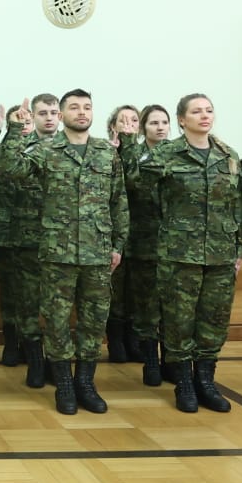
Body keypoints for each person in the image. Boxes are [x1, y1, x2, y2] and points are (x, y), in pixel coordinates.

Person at [0, 90, 132, 415]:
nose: (82, 112)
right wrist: (14, 130)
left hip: (97, 252)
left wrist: (118, 244)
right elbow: (10, 169)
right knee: (57, 320)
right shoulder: (47, 150)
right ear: (61, 115)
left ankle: (85, 382)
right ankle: (64, 385)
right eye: (74, 107)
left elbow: (118, 200)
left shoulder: (106, 152)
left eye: (87, 107)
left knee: (93, 320)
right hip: (57, 252)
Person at [132, 95, 242, 412]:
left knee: (214, 321)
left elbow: (238, 205)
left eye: (209, 110)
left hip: (221, 255)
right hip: (179, 255)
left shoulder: (227, 155)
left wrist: (239, 248)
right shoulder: (166, 154)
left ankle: (206, 382)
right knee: (179, 321)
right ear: (182, 120)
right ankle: (183, 383)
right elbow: (137, 186)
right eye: (196, 111)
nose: (204, 115)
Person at [0, 93, 60, 387]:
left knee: (51, 302)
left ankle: (51, 359)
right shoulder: (11, 151)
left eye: (51, 113)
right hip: (11, 235)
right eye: (39, 114)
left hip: (50, 238)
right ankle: (15, 345)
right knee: (14, 295)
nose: (46, 118)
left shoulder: (61, 148)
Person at [124, 104, 171, 386]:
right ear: (143, 128)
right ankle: (151, 361)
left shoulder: (178, 154)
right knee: (147, 307)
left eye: (164, 122)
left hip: (176, 245)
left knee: (173, 308)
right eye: (154, 123)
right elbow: (131, 184)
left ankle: (171, 361)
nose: (160, 127)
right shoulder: (134, 155)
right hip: (143, 243)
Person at [104, 104, 142, 365]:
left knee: (137, 289)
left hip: (141, 232)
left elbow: (136, 182)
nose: (129, 125)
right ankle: (115, 340)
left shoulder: (146, 153)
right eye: (123, 121)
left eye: (134, 121)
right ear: (112, 126)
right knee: (115, 289)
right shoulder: (104, 152)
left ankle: (133, 339)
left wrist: (129, 146)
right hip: (112, 229)